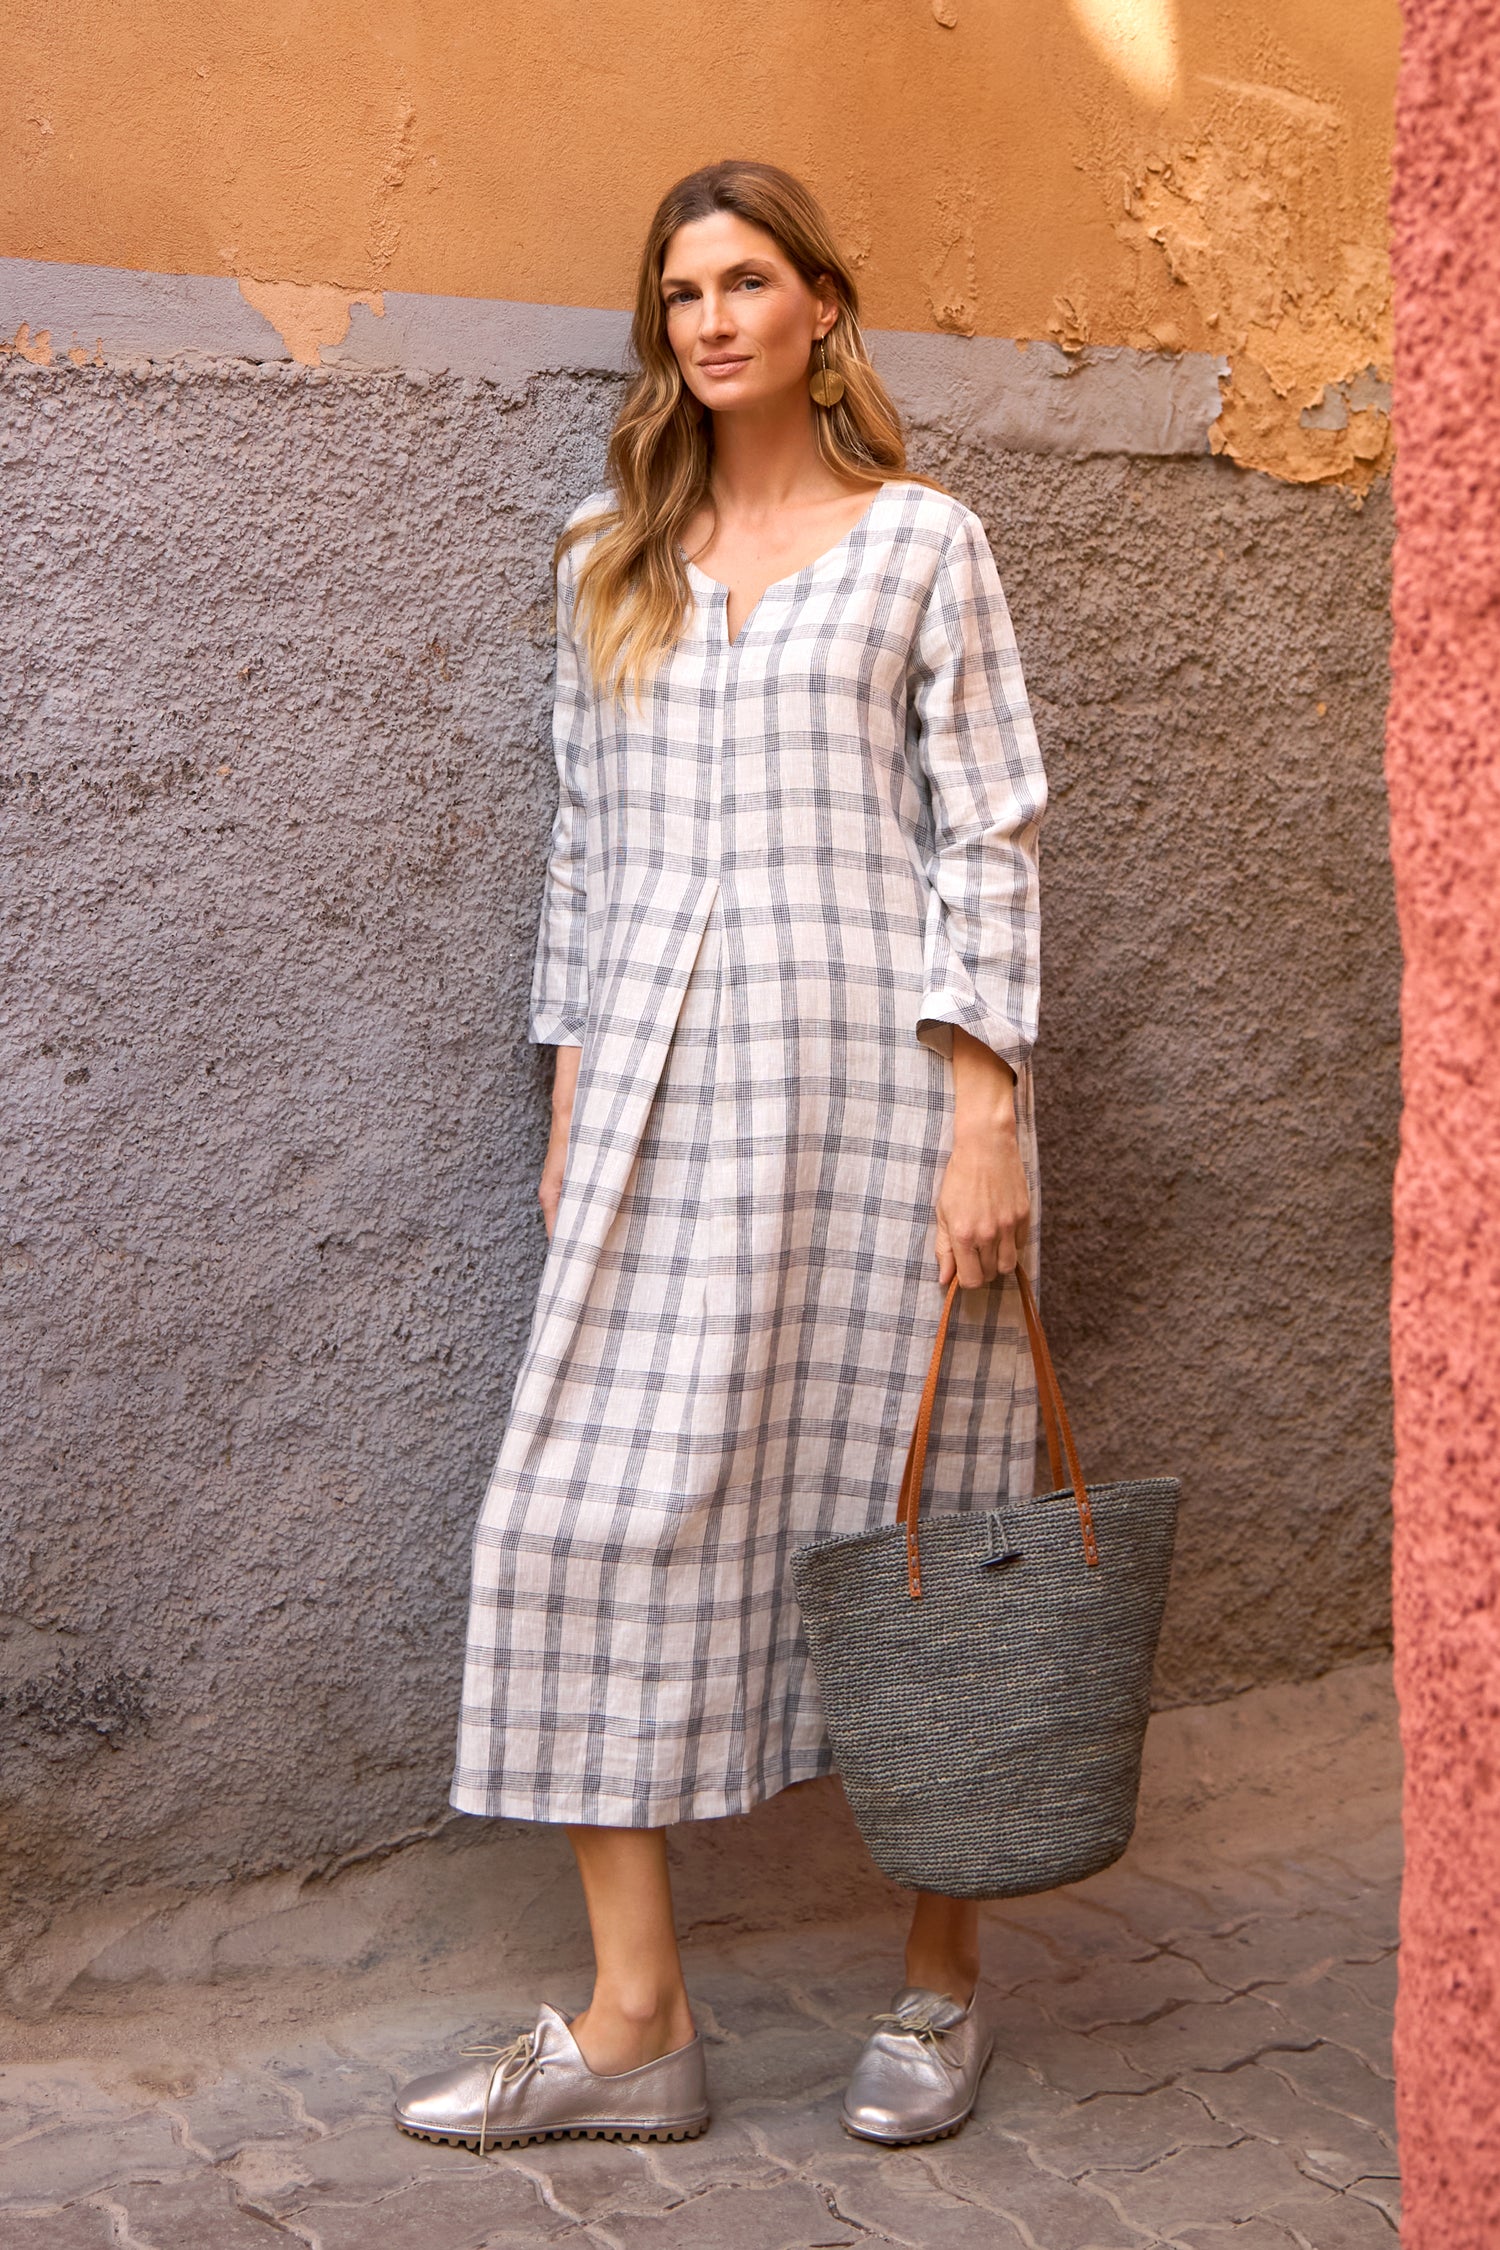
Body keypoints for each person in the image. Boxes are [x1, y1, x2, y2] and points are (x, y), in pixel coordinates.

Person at [395, 158, 1046, 2156]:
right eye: (679, 289)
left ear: (826, 310)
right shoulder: (616, 551)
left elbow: (988, 831)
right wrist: (574, 1092)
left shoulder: (924, 543)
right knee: (576, 1514)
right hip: (667, 1111)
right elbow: (586, 849)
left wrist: (989, 1110)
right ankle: (636, 2021)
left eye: (747, 279)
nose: (709, 318)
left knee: (924, 1530)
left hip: (883, 1099)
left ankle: (939, 1983)